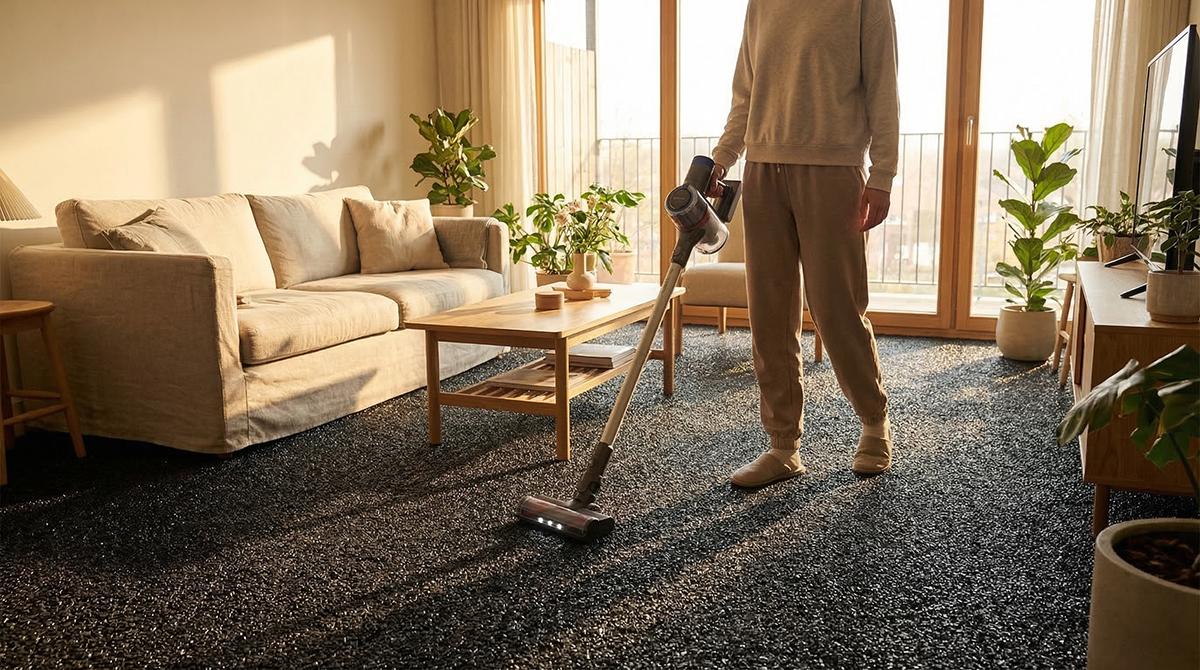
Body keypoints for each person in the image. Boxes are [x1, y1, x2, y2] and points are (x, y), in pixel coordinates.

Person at [707, 0, 899, 487]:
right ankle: (783, 446)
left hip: (833, 170)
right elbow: (745, 94)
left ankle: (874, 422)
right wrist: (723, 156)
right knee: (769, 312)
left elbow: (883, 88)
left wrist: (882, 174)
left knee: (837, 307)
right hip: (763, 169)